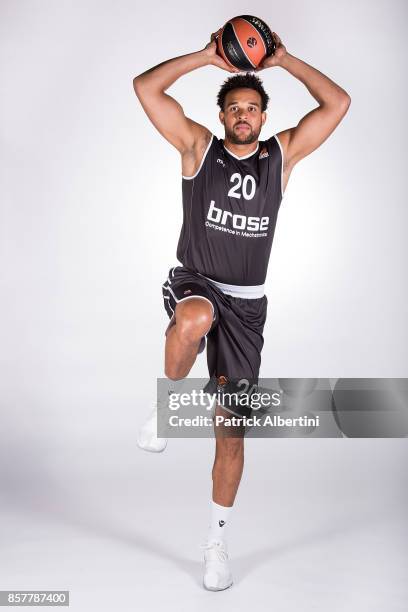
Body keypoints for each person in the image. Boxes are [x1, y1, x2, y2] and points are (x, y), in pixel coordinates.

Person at [132, 29, 350, 591]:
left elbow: (338, 104)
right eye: (235, 108)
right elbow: (146, 88)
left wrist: (284, 59)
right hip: (198, 281)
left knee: (231, 434)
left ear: (263, 113)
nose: (244, 116)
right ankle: (166, 399)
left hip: (249, 309)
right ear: (223, 114)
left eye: (253, 107)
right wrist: (208, 56)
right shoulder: (198, 149)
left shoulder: (281, 156)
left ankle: (215, 544)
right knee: (196, 318)